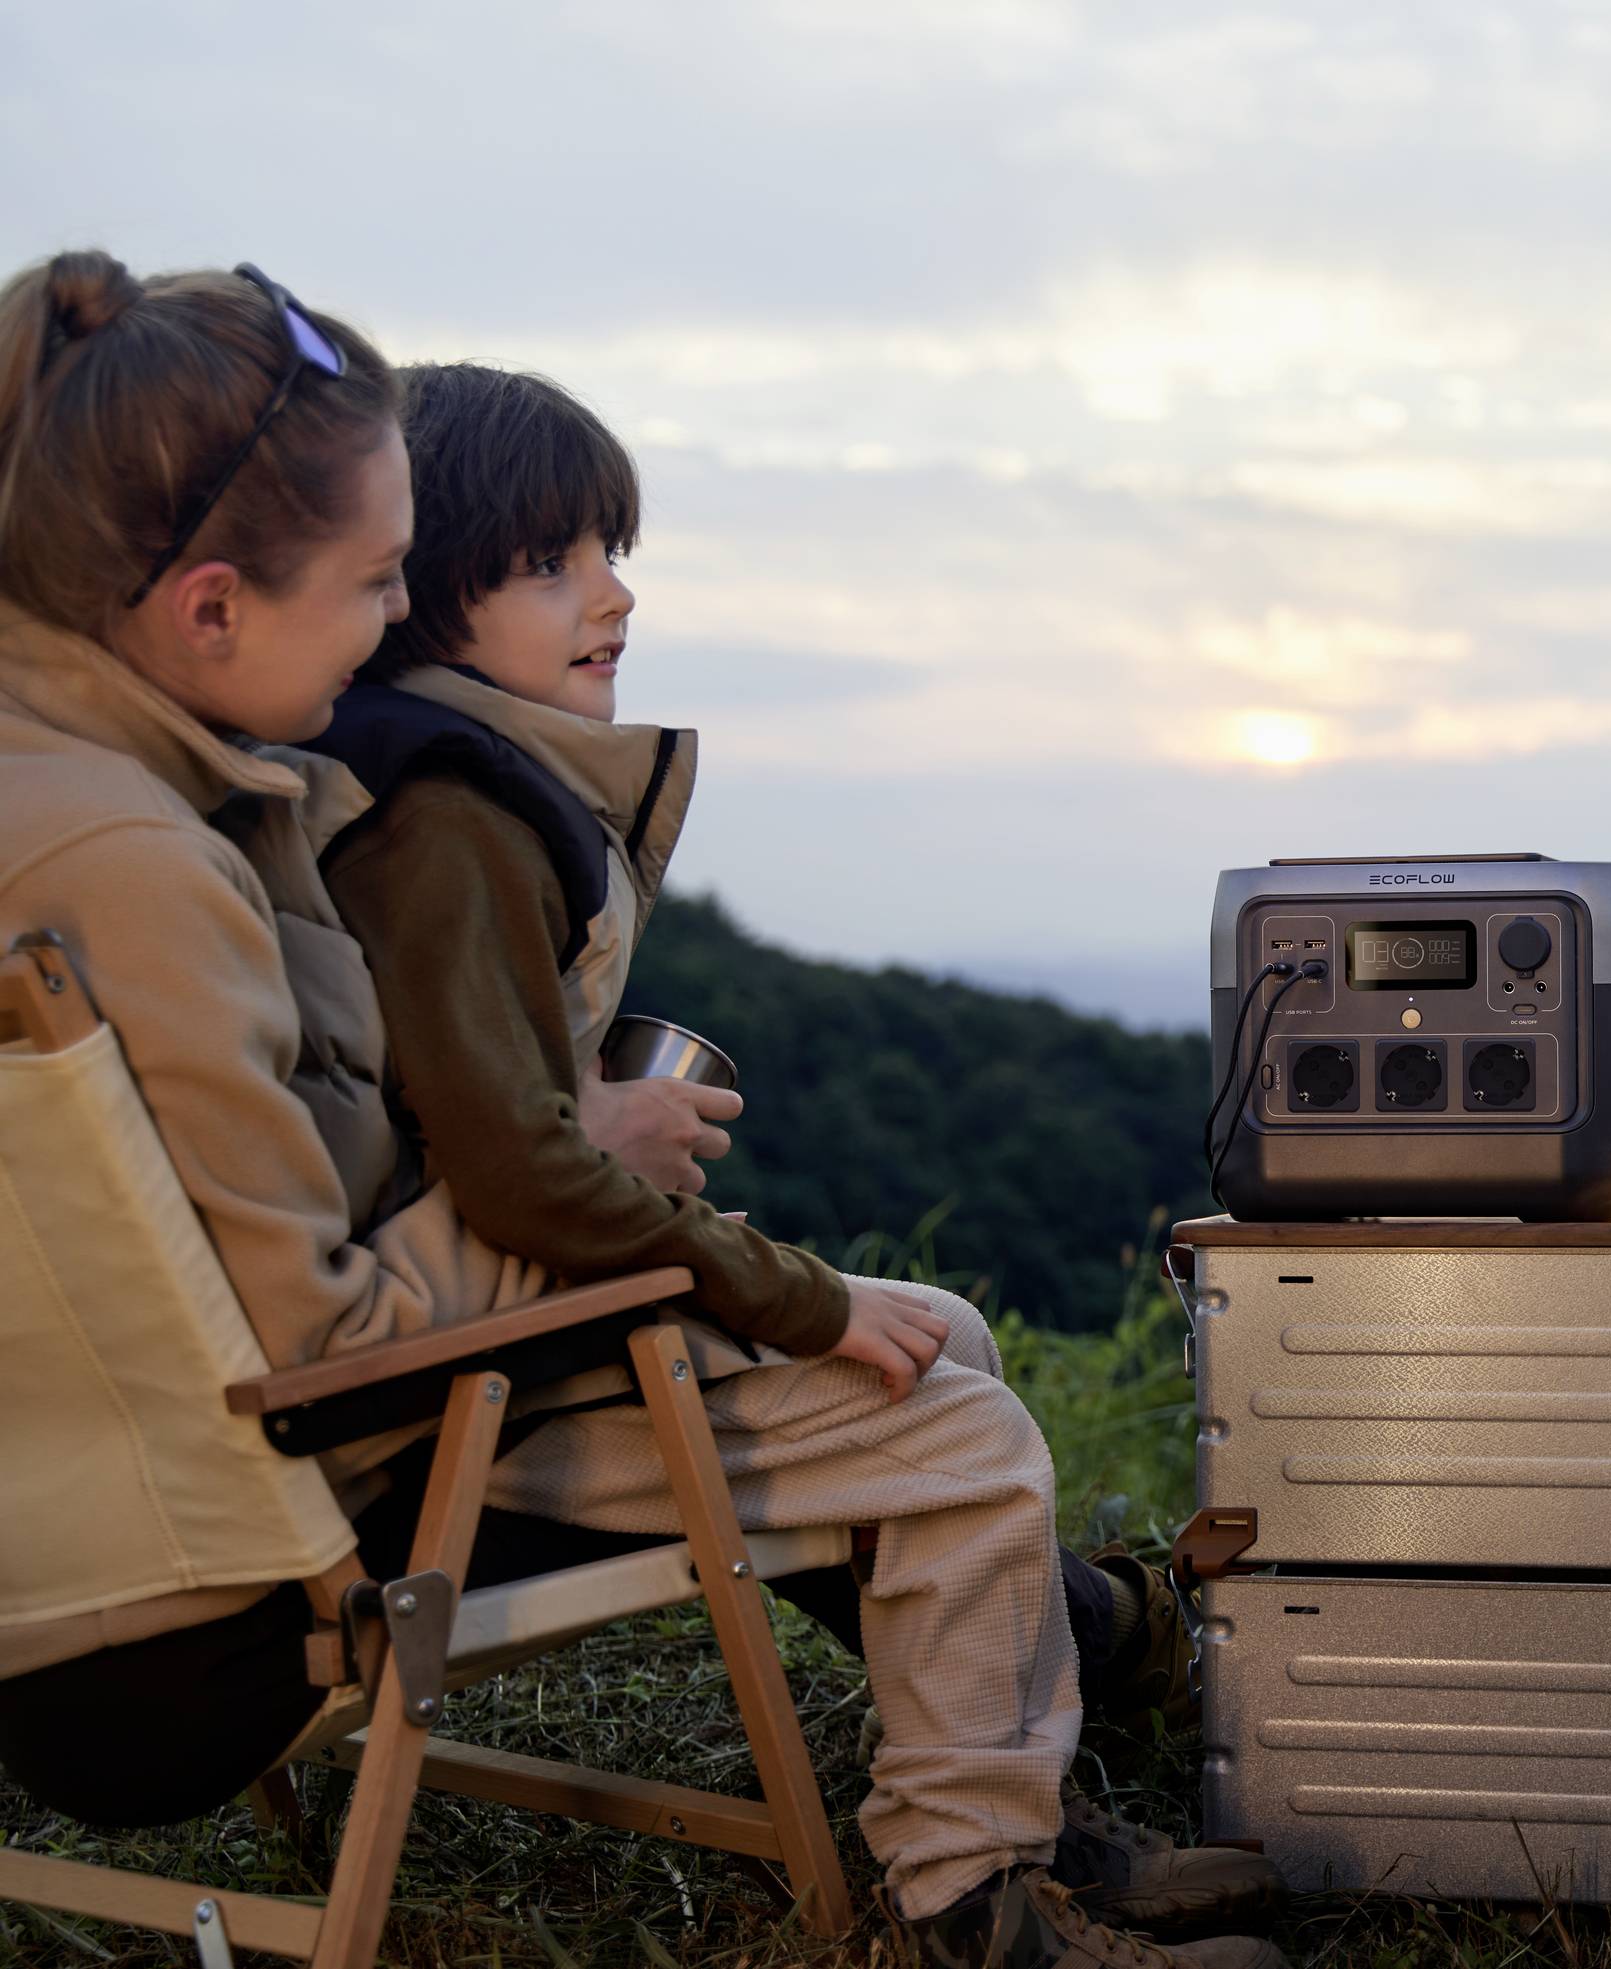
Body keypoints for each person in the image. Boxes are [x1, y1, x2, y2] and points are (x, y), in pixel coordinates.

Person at [0, 256, 1273, 1969]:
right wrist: (584, 1160)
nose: (393, 625)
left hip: (76, 1512)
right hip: (249, 1563)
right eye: (383, 581)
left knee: (919, 1351)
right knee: (957, 1427)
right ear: (212, 605)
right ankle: (979, 1896)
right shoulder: (147, 869)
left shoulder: (82, 792)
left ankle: (1050, 1696)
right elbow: (300, 1338)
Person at [301, 359, 1194, 1745]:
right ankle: (1000, 1846)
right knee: (939, 1405)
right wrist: (792, 1295)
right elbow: (515, 1178)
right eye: (551, 564)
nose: (614, 593)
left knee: (942, 1334)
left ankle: (1065, 1688)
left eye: (610, 551)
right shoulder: (446, 823)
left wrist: (592, 1133)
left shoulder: (442, 788)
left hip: (494, 1345)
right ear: (416, 589)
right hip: (458, 1413)